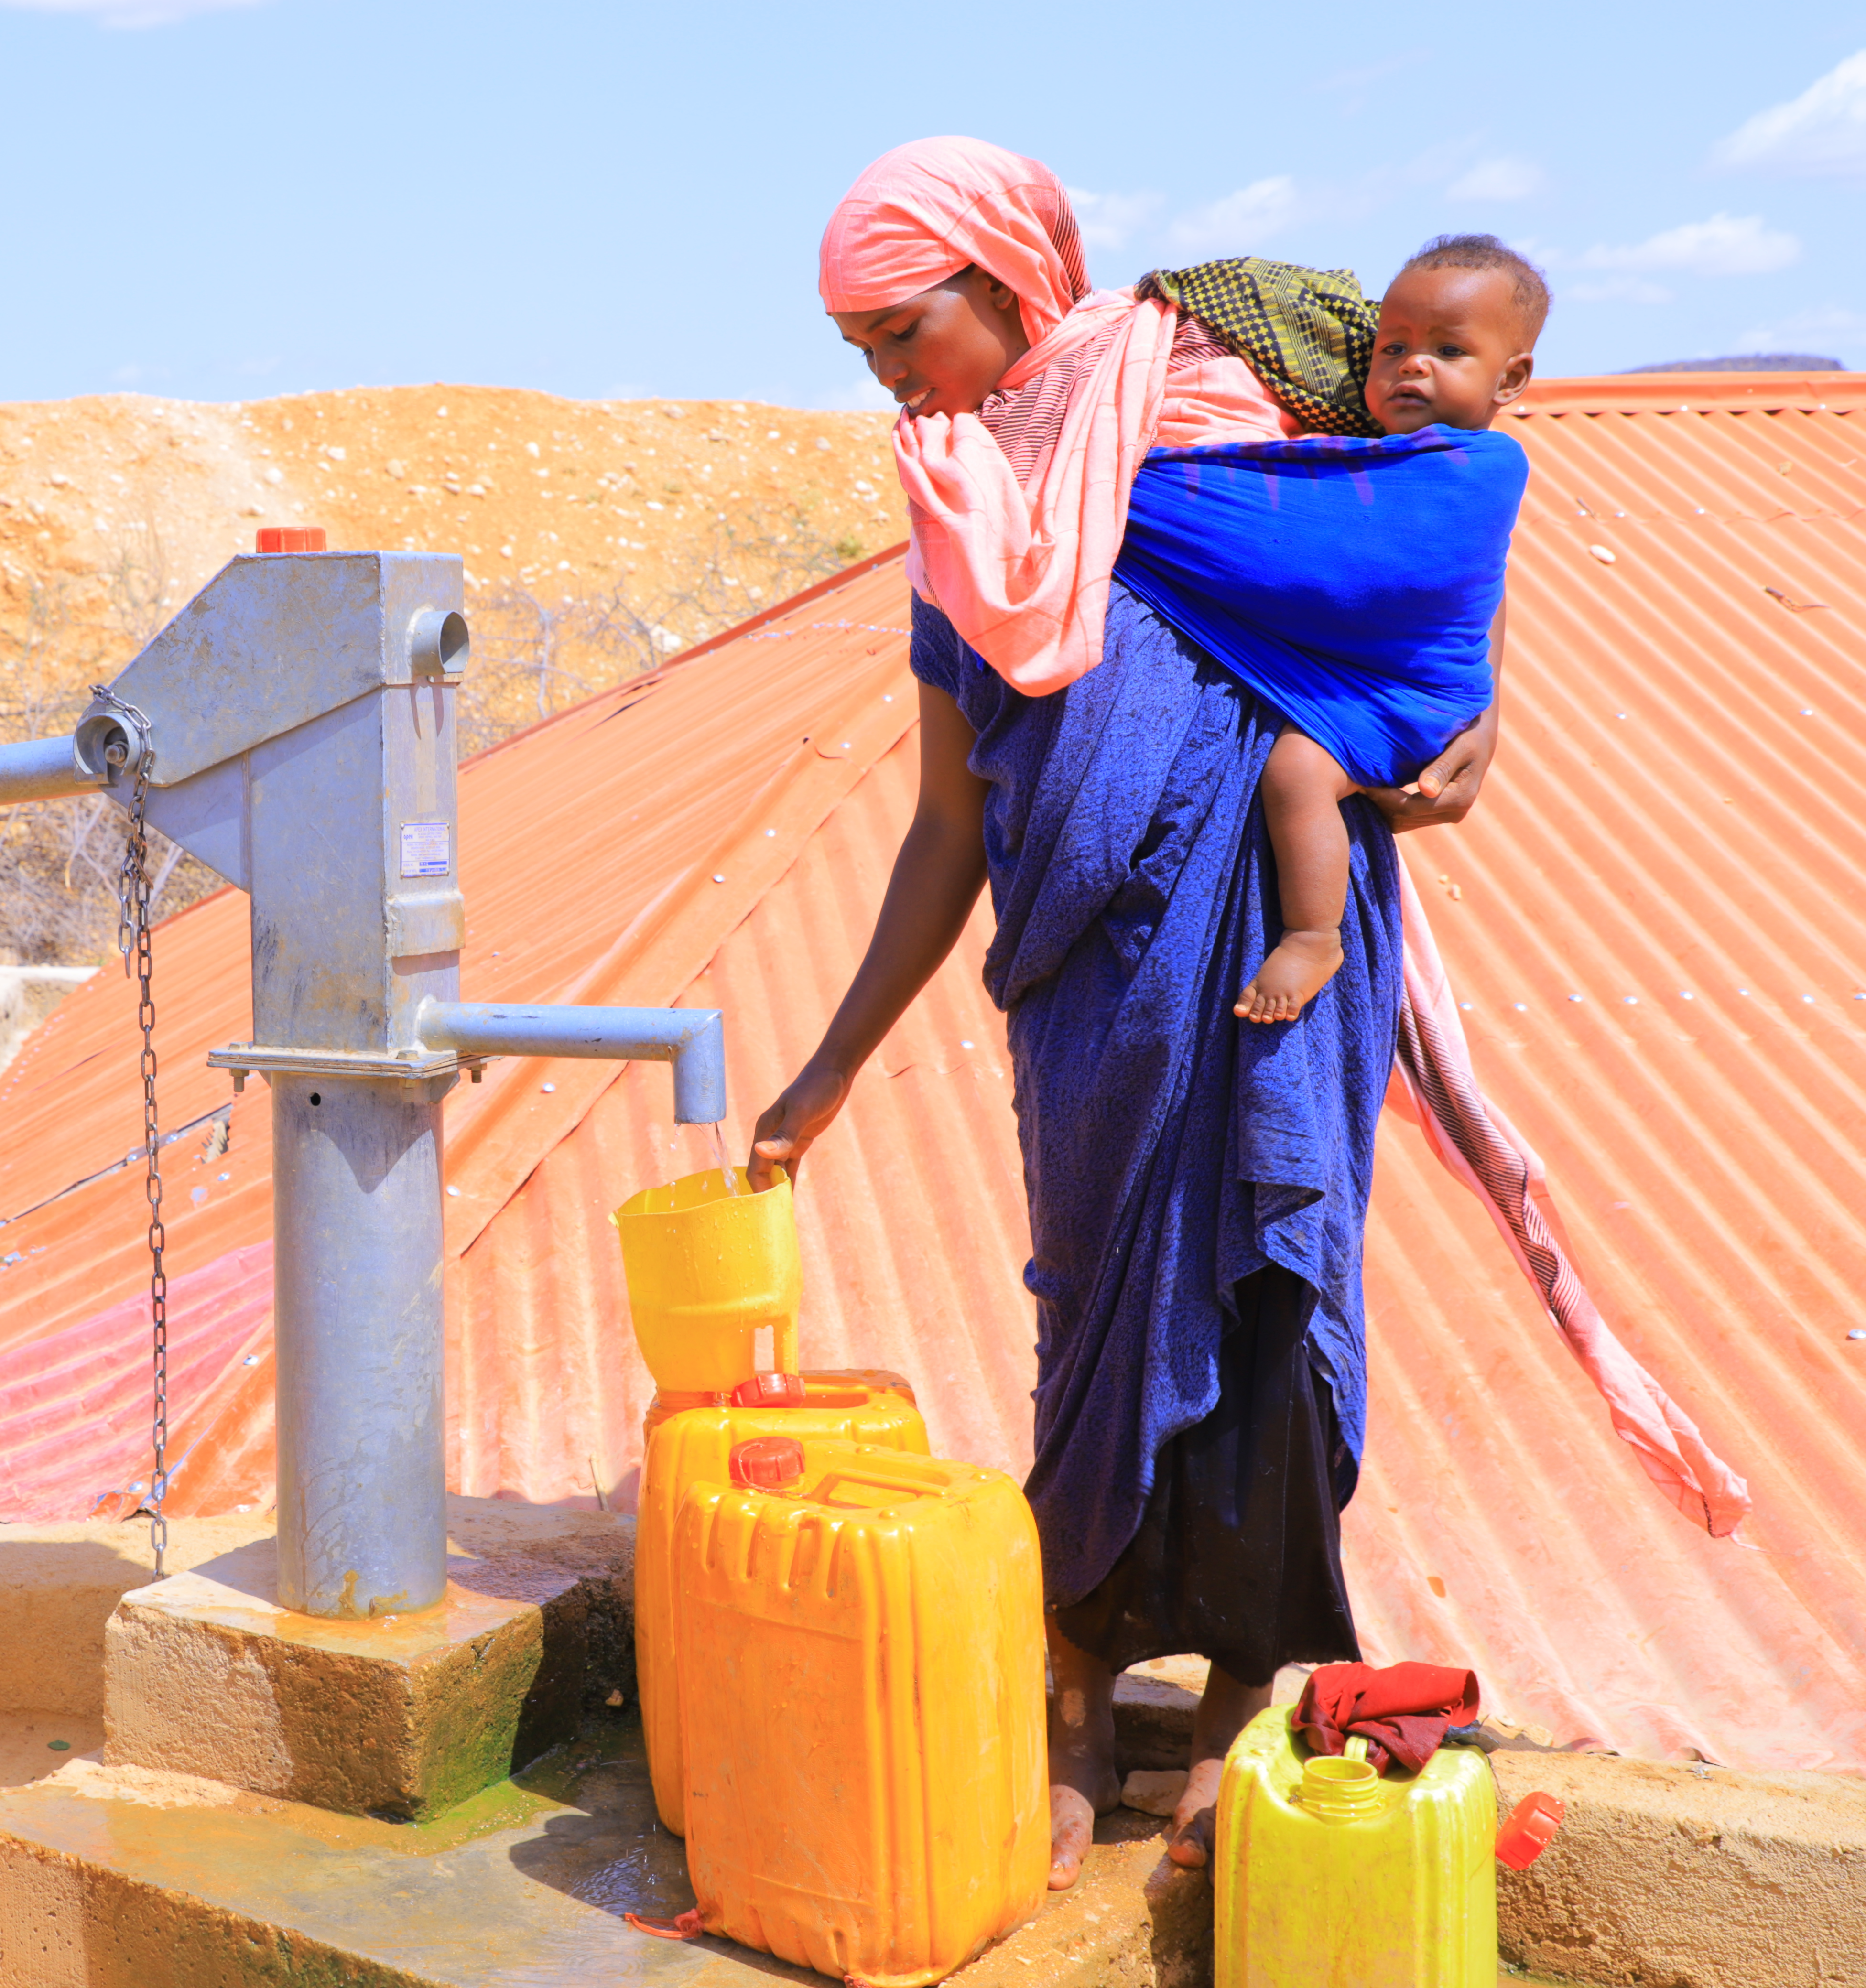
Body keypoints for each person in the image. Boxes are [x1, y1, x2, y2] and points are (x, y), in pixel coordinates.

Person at [749, 136, 1506, 1889]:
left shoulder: (1228, 403)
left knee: (1275, 1289)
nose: (893, 379)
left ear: (1011, 277)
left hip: (1280, 960)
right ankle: (1083, 1676)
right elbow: (951, 823)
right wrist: (833, 1057)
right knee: (1092, 1313)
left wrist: (1477, 707)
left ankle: (1246, 1689)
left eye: (902, 330)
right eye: (861, 351)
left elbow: (1426, 532)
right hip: (1092, 987)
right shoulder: (969, 512)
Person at [1234, 237, 1547, 1022]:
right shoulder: (1370, 454)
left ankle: (1314, 934)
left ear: (1510, 378)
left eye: (1448, 350)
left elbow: (1469, 594)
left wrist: (1483, 709)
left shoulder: (1482, 462)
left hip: (1408, 693)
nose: (1412, 366)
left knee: (1298, 771)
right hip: (1376, 682)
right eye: (1393, 347)